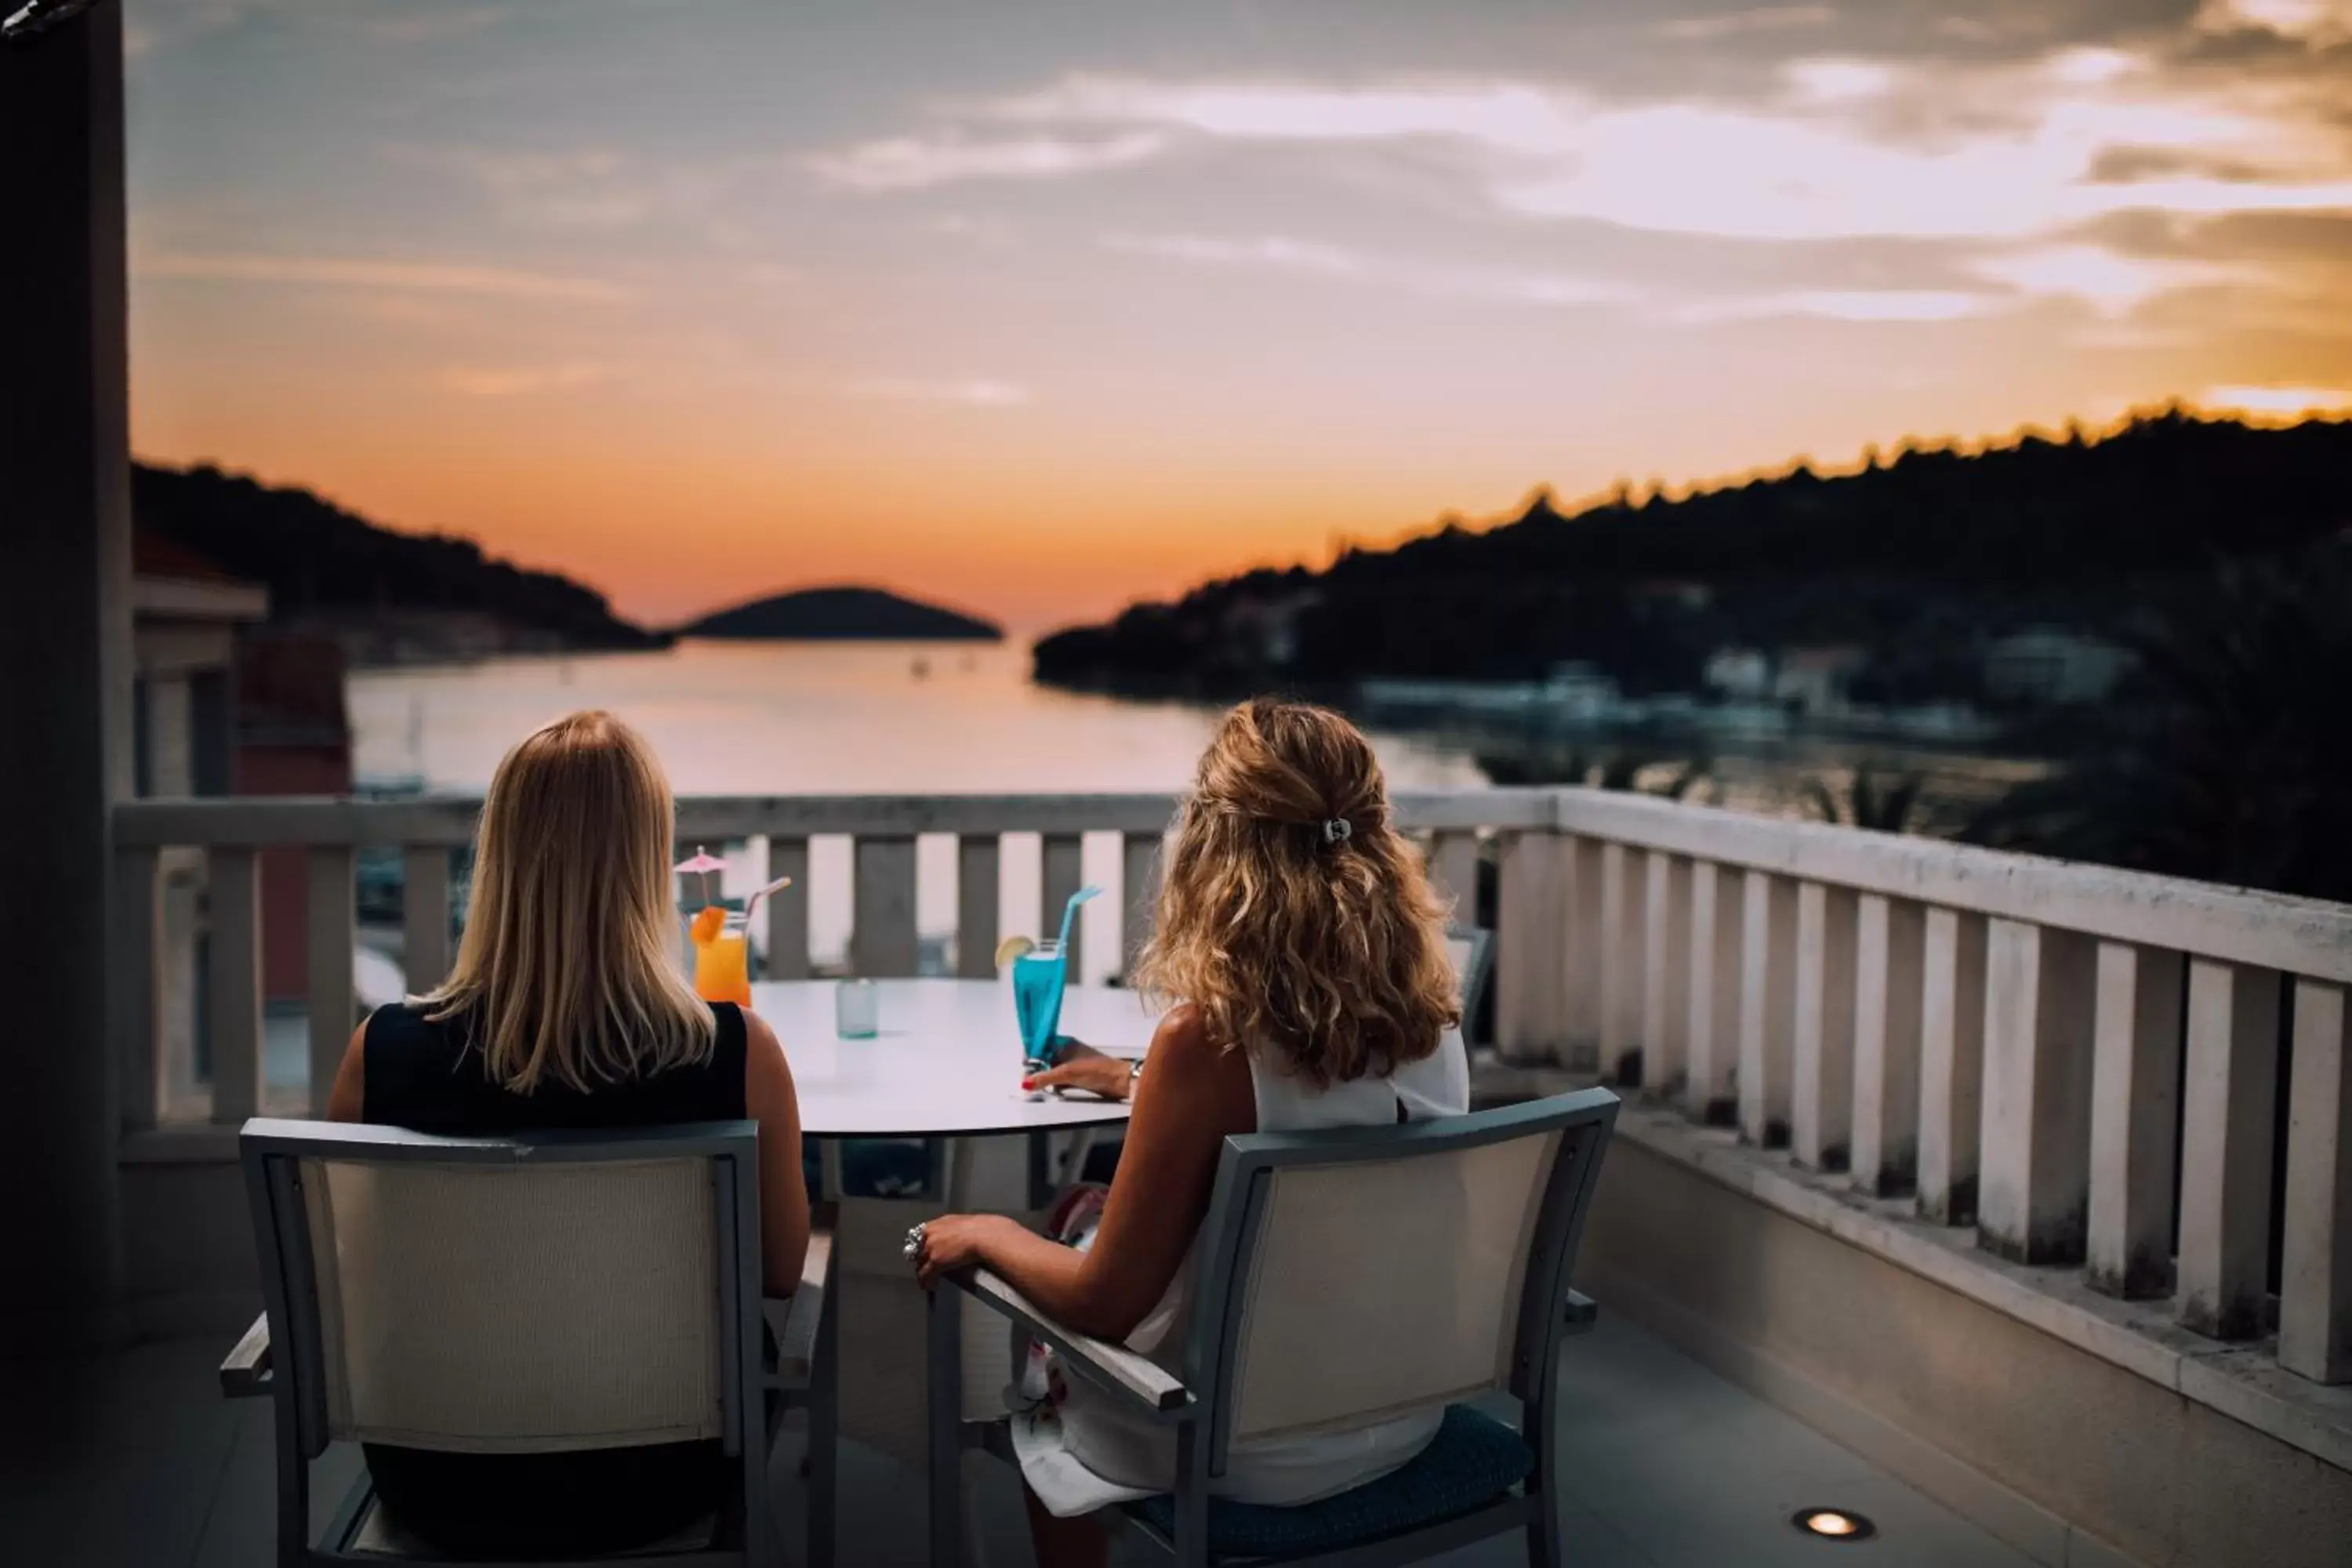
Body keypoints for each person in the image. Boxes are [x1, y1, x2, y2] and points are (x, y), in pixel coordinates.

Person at [912, 698, 1469, 1568]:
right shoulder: (1432, 1022)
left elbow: (1102, 1302)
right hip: (1401, 1415)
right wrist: (1135, 1084)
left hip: (1237, 1448)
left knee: (1036, 1362)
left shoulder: (1207, 1042)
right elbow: (1309, 1102)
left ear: (1219, 851)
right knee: (1080, 1209)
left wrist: (985, 1230)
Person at [325, 710, 809, 1558]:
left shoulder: (383, 1050)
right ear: (644, 862)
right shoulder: (736, 1050)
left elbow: (346, 1269)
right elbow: (778, 1266)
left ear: (501, 855)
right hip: (659, 1476)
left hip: (438, 1475)